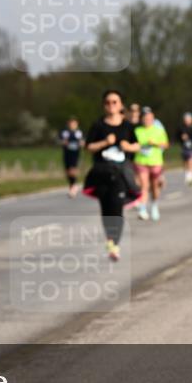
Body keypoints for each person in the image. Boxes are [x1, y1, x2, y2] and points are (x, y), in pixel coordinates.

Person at [84, 90, 141, 261]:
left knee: (117, 208)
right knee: (106, 209)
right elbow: (88, 147)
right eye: (108, 102)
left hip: (121, 172)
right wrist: (104, 143)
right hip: (102, 171)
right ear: (104, 106)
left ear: (120, 104)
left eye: (115, 102)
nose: (111, 105)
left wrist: (128, 147)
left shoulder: (128, 126)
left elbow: (137, 146)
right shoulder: (98, 125)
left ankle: (114, 244)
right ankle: (110, 239)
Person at [134, 106, 169, 221]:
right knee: (144, 185)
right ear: (141, 119)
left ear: (153, 118)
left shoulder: (158, 130)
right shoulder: (137, 130)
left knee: (154, 186)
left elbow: (166, 144)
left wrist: (156, 143)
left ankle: (154, 205)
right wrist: (137, 147)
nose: (147, 120)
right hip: (141, 161)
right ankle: (143, 209)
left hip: (156, 162)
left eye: (149, 118)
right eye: (145, 118)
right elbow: (132, 145)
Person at [59, 117, 85, 198]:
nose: (72, 125)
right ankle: (71, 186)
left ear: (76, 125)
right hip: (67, 153)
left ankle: (74, 186)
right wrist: (63, 142)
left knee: (73, 170)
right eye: (71, 124)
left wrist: (81, 143)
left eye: (74, 124)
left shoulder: (79, 133)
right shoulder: (65, 133)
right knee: (67, 171)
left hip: (75, 153)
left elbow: (83, 142)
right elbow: (60, 141)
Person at [177, 112, 192, 186]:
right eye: (186, 119)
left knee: (191, 160)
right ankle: (188, 174)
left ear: (191, 119)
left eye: (188, 119)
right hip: (184, 147)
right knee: (186, 162)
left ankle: (191, 176)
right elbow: (177, 138)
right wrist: (181, 138)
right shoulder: (181, 128)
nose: (187, 120)